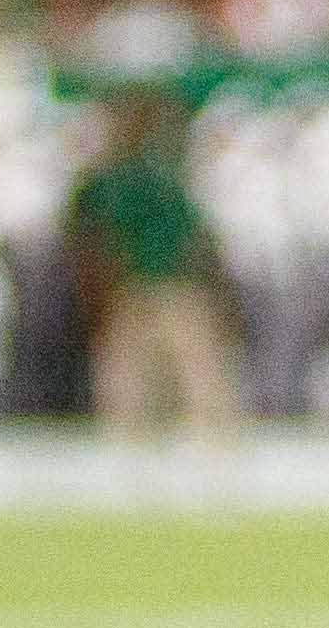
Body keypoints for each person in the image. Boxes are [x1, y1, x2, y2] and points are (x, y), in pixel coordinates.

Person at [73, 87, 240, 439]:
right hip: (156, 285)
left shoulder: (130, 176)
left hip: (156, 285)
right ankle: (204, 443)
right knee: (173, 372)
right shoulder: (141, 176)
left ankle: (192, 442)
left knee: (170, 373)